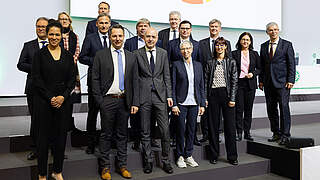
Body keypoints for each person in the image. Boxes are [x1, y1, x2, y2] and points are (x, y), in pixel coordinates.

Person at [32, 20, 75, 180]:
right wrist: (50, 97)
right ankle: (42, 174)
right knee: (42, 140)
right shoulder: (39, 55)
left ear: (62, 35)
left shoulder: (68, 55)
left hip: (63, 103)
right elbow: (36, 79)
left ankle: (57, 171)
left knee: (60, 139)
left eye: (57, 34)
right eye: (51, 34)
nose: (54, 37)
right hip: (44, 102)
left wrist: (63, 96)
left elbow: (72, 79)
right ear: (46, 34)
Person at [92, 24, 135, 180]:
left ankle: (122, 165)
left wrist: (134, 102)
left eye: (120, 36)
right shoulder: (100, 55)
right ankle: (105, 167)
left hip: (125, 101)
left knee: (122, 135)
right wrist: (100, 101)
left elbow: (134, 81)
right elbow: (95, 78)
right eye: (114, 36)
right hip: (107, 101)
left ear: (124, 37)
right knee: (106, 135)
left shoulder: (131, 56)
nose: (117, 39)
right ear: (110, 37)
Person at [132, 27, 174, 174]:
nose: (150, 39)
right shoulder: (136, 54)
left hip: (160, 97)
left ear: (157, 38)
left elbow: (166, 76)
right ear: (144, 37)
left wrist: (169, 96)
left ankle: (166, 161)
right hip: (144, 97)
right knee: (145, 131)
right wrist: (135, 101)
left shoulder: (163, 53)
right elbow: (135, 80)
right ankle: (148, 161)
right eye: (148, 36)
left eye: (153, 37)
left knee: (164, 131)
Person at [124, 18, 161, 150]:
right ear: (137, 29)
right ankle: (136, 140)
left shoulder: (158, 42)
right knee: (135, 116)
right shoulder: (129, 43)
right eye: (140, 26)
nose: (143, 28)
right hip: (137, 85)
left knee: (151, 116)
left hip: (152, 87)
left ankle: (151, 138)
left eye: (145, 26)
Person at [79, 13, 111, 154]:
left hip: (111, 82)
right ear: (96, 24)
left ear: (110, 24)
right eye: (101, 23)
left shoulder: (114, 37)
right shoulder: (90, 38)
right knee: (93, 113)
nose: (104, 25)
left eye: (106, 23)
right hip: (95, 82)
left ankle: (109, 142)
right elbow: (82, 57)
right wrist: (98, 62)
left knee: (110, 114)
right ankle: (90, 143)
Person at [259, 22, 295, 145]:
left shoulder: (287, 45)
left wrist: (291, 80)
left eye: (275, 29)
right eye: (270, 30)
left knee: (284, 108)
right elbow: (262, 66)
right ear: (267, 32)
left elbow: (291, 64)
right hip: (268, 83)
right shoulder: (263, 46)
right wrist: (261, 81)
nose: (273, 32)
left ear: (278, 30)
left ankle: (285, 134)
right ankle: (276, 132)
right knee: (271, 109)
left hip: (283, 83)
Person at [17, 17, 48, 161]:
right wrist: (36, 68)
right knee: (36, 120)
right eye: (38, 26)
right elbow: (20, 64)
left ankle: (53, 148)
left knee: (52, 121)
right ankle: (35, 149)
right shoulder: (28, 45)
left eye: (43, 26)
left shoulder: (55, 45)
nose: (41, 28)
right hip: (33, 89)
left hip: (52, 90)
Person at [204, 37, 238, 165]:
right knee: (213, 126)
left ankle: (232, 156)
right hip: (213, 95)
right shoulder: (210, 62)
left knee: (230, 127)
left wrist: (233, 99)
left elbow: (234, 81)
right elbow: (206, 81)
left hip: (227, 95)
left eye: (222, 45)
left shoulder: (231, 62)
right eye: (217, 45)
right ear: (215, 47)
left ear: (226, 47)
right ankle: (214, 155)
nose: (219, 47)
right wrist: (206, 98)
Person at [171, 40, 205, 168]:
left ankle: (188, 155)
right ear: (180, 51)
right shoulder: (176, 65)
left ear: (192, 49)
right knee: (180, 129)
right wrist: (174, 104)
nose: (186, 51)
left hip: (195, 102)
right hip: (181, 102)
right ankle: (180, 156)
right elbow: (172, 86)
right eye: (183, 49)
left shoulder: (198, 65)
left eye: (188, 49)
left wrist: (202, 104)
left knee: (192, 130)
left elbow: (201, 86)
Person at [167, 20, 201, 146]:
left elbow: (198, 64)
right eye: (182, 28)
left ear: (190, 30)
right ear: (179, 29)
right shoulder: (172, 44)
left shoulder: (196, 45)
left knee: (191, 121)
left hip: (192, 85)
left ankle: (192, 139)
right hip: (177, 81)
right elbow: (168, 61)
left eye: (187, 28)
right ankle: (175, 137)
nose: (185, 30)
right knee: (177, 118)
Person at [198, 19, 231, 143]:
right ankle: (206, 134)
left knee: (218, 113)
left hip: (220, 82)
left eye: (216, 26)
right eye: (212, 26)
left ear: (220, 28)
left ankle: (217, 134)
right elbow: (199, 61)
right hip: (206, 81)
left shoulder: (226, 42)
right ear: (209, 28)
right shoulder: (202, 43)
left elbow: (229, 62)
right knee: (206, 110)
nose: (214, 28)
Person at [232, 32, 261, 141]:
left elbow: (259, 69)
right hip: (238, 84)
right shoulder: (234, 53)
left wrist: (253, 73)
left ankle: (247, 132)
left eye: (247, 40)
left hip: (250, 84)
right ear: (240, 41)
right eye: (243, 39)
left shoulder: (254, 54)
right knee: (239, 109)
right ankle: (238, 132)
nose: (245, 41)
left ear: (250, 42)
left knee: (248, 109)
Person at [58, 12, 82, 133]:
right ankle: (59, 124)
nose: (64, 21)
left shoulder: (74, 36)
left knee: (70, 97)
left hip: (72, 69)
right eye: (61, 19)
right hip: (58, 69)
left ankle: (68, 123)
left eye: (66, 19)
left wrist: (70, 63)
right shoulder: (56, 35)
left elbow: (77, 52)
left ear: (70, 21)